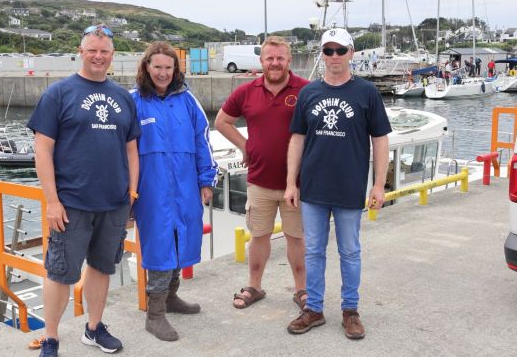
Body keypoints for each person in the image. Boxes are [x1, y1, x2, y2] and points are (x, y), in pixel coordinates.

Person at [27, 25, 140, 357]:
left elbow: (131, 150)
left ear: (112, 56)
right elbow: (42, 150)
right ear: (81, 51)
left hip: (114, 202)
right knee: (60, 272)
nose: (98, 56)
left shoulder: (122, 97)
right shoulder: (58, 93)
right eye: (92, 50)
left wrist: (131, 194)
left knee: (103, 266)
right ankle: (50, 337)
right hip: (71, 204)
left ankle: (93, 328)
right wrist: (51, 201)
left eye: (104, 51)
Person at [283, 28, 392, 339]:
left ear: (351, 54)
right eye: (328, 51)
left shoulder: (367, 92)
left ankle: (350, 310)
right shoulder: (308, 93)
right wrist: (291, 183)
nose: (333, 57)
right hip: (313, 189)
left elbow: (380, 139)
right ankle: (314, 308)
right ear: (322, 55)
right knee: (314, 250)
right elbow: (297, 139)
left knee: (350, 251)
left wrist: (379, 184)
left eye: (339, 50)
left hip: (348, 188)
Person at [130, 42, 218, 341]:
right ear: (146, 68)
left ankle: (171, 297)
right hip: (151, 189)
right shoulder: (133, 102)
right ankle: (154, 315)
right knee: (159, 246)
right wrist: (128, 191)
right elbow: (123, 150)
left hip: (185, 186)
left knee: (182, 238)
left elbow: (202, 140)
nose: (163, 73)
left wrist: (206, 180)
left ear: (175, 69)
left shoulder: (187, 101)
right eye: (157, 67)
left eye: (168, 67)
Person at [215, 36, 310, 311]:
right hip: (259, 181)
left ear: (289, 60)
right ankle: (254, 285)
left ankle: (302, 289)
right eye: (270, 58)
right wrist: (247, 146)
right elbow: (222, 121)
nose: (275, 63)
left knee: (296, 237)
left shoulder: (306, 91)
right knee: (259, 235)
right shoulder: (246, 92)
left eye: (280, 58)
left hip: (298, 184)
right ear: (261, 61)